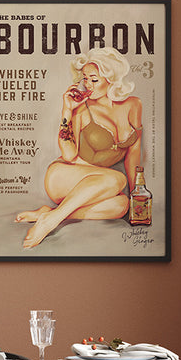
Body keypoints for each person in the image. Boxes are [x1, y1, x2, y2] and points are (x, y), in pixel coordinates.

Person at [15, 47, 143, 249]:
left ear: (112, 79)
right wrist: (67, 109)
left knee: (122, 205)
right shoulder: (82, 108)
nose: (88, 85)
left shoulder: (134, 105)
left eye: (94, 79)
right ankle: (50, 222)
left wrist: (137, 192)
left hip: (96, 184)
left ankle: (49, 214)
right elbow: (68, 154)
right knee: (118, 179)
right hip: (64, 176)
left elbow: (133, 154)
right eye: (85, 79)